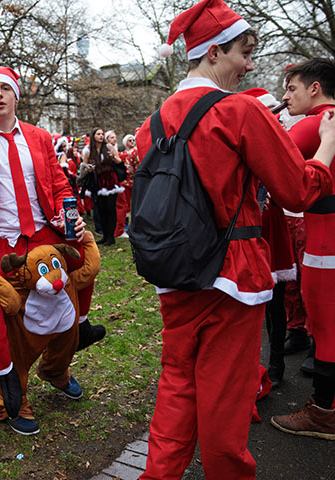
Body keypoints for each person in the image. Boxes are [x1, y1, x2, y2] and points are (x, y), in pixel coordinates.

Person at [137, 0, 335, 477]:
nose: (250, 64)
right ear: (212, 54)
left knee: (178, 386)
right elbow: (296, 189)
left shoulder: (152, 123)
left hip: (175, 271)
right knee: (226, 401)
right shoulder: (240, 113)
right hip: (233, 275)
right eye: (244, 52)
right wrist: (326, 149)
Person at [0, 66, 101, 435]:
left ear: (15, 96)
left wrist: (67, 214)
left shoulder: (39, 137)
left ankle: (57, 370)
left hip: (40, 235)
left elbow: (58, 185)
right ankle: (10, 393)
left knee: (69, 295)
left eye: (4, 89)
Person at [271, 58, 335, 438]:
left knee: (326, 330)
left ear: (314, 88)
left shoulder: (317, 123)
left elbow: (269, 161)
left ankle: (323, 414)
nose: (285, 94)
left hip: (326, 244)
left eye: (291, 87)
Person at [81, 127, 125, 246]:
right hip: (97, 181)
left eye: (102, 134)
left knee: (110, 209)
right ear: (93, 136)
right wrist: (88, 168)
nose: (101, 136)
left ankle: (111, 236)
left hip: (110, 181)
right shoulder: (88, 150)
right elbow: (83, 166)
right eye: (98, 134)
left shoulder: (109, 147)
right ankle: (105, 235)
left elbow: (119, 161)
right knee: (101, 209)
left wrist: (113, 157)